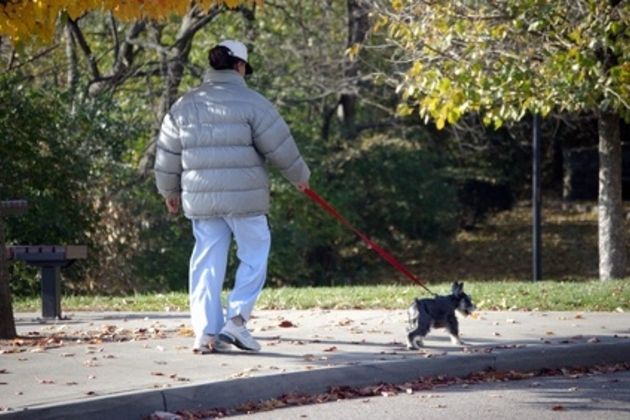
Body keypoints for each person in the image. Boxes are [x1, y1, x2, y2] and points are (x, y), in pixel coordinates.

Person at [154, 39, 310, 354]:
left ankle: (207, 334)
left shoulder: (185, 103)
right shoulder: (253, 103)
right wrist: (300, 178)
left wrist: (169, 190)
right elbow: (279, 147)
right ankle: (236, 322)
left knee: (206, 263)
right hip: (245, 199)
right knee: (254, 255)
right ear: (239, 66)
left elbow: (167, 152)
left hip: (202, 199)